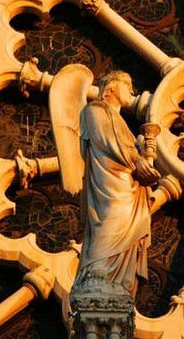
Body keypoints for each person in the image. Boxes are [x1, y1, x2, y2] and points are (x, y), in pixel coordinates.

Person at [73, 70, 160, 296]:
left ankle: (119, 279)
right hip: (110, 183)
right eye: (127, 84)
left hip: (129, 186)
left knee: (125, 233)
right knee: (110, 222)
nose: (132, 90)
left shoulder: (121, 122)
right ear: (110, 88)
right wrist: (137, 160)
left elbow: (125, 147)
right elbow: (108, 142)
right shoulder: (94, 110)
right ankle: (98, 272)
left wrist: (145, 153)